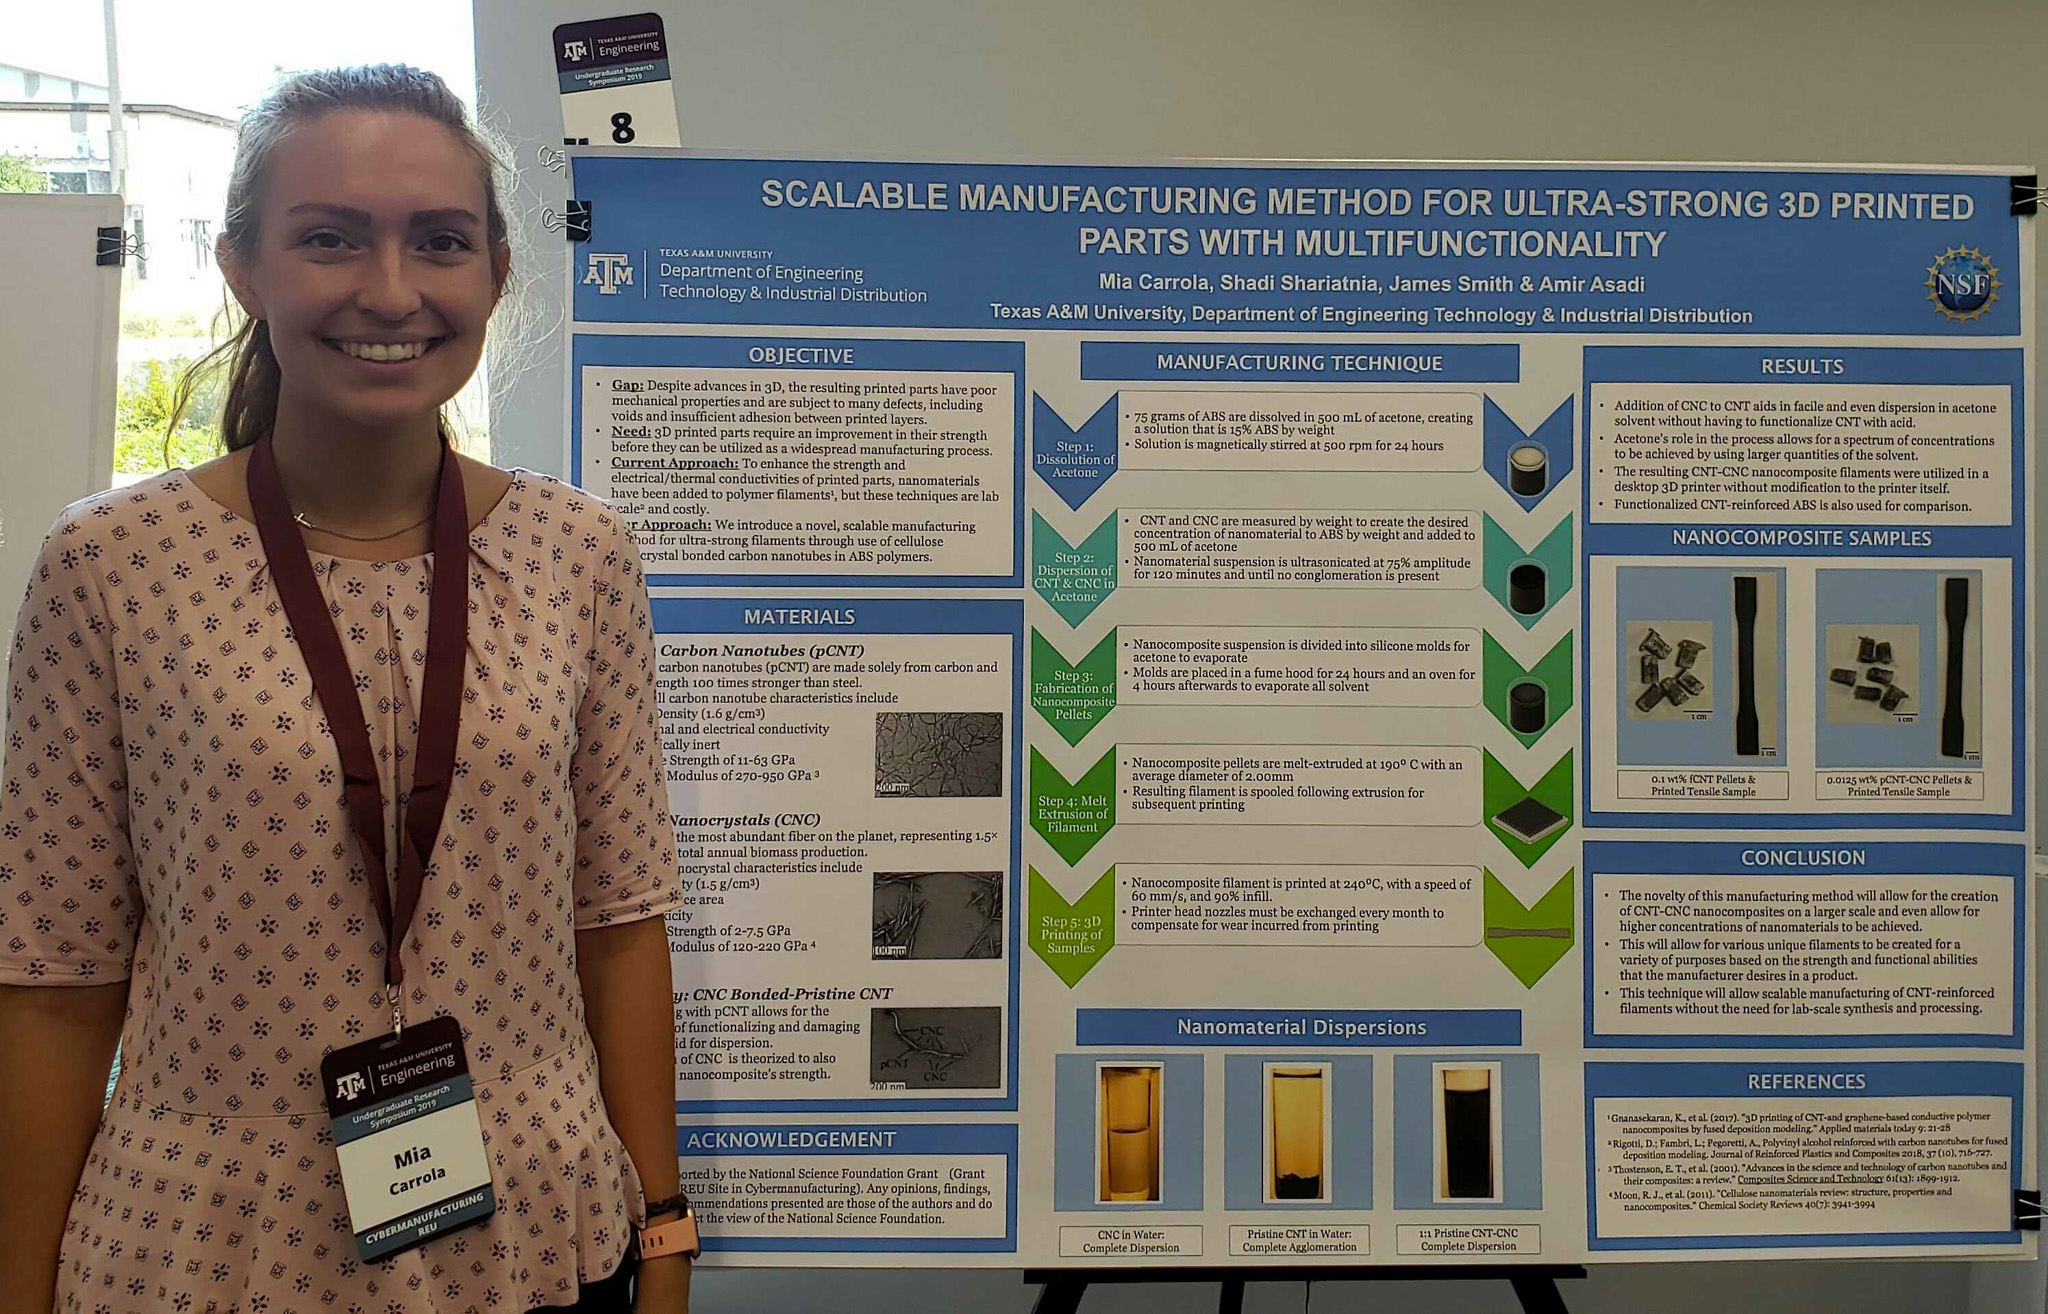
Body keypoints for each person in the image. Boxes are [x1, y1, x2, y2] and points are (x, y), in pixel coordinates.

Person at [0, 66, 693, 1314]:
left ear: (494, 272)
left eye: (438, 241)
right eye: (328, 239)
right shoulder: (111, 564)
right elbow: (57, 977)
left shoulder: (579, 553)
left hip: (534, 1231)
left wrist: (664, 1233)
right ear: (242, 270)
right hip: (206, 1240)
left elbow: (620, 919)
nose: (390, 290)